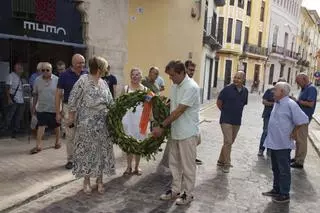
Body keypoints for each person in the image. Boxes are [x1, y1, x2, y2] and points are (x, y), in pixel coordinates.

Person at [153, 60, 200, 205]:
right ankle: (175, 190)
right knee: (175, 164)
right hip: (175, 131)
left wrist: (162, 126)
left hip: (188, 132)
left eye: (172, 75)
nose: (170, 78)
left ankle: (188, 193)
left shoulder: (191, 87)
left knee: (188, 166)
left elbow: (179, 110)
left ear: (181, 73)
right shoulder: (174, 85)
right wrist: (157, 103)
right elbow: (171, 104)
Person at [68, 56, 115, 195]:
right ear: (100, 68)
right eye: (105, 67)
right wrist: (71, 117)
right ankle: (86, 181)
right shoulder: (83, 80)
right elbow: (72, 98)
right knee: (87, 152)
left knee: (101, 152)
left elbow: (110, 102)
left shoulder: (104, 83)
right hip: (86, 123)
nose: (106, 69)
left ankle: (100, 180)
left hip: (103, 124)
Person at [262, 82, 309, 203]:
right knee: (275, 168)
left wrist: (294, 132)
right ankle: (276, 189)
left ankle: (284, 193)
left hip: (283, 143)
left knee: (284, 169)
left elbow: (303, 119)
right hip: (273, 142)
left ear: (282, 92)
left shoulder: (290, 104)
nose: (273, 91)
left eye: (275, 90)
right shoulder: (277, 103)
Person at [55, 54, 87, 170]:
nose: (81, 65)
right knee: (70, 135)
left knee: (83, 134)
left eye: (83, 63)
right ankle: (71, 159)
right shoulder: (64, 75)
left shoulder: (86, 74)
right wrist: (58, 112)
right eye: (79, 63)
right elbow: (58, 94)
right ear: (73, 63)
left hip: (84, 108)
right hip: (69, 108)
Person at [216, 71, 248, 173]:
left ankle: (221, 160)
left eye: (239, 78)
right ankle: (227, 164)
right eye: (235, 77)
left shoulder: (245, 91)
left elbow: (243, 104)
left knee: (229, 142)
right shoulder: (227, 89)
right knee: (228, 141)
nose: (236, 80)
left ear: (243, 80)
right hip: (226, 119)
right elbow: (219, 102)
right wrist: (225, 112)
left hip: (237, 120)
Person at [30, 62, 60, 154]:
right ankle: (38, 145)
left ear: (51, 70)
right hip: (42, 107)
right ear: (40, 70)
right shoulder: (37, 80)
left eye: (48, 70)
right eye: (43, 70)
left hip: (54, 107)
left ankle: (57, 141)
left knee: (56, 126)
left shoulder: (57, 80)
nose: (45, 72)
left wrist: (60, 108)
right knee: (41, 125)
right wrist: (33, 106)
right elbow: (35, 94)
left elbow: (60, 95)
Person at [122, 68, 148, 176]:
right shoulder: (126, 89)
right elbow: (120, 104)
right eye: (133, 74)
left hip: (140, 120)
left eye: (137, 74)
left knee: (139, 143)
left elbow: (148, 106)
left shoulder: (146, 90)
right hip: (128, 119)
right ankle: (128, 166)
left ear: (141, 77)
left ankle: (137, 166)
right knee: (129, 143)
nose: (135, 76)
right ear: (130, 76)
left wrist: (148, 120)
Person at [291, 73, 318, 169]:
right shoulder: (304, 88)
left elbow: (310, 104)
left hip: (304, 118)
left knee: (301, 140)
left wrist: (297, 101)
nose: (298, 84)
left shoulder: (311, 88)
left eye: (299, 82)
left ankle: (300, 161)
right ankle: (297, 157)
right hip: (300, 117)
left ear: (305, 79)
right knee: (298, 139)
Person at [258, 79, 287, 156]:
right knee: (266, 132)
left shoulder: (285, 94)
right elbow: (264, 101)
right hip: (268, 115)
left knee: (274, 133)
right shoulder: (269, 91)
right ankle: (261, 149)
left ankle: (270, 150)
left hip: (279, 117)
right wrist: (274, 104)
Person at [185, 60, 203, 165]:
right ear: (185, 69)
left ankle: (191, 157)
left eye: (193, 70)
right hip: (185, 120)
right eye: (190, 70)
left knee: (197, 139)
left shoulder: (192, 84)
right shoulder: (182, 84)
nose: (192, 72)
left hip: (193, 119)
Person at [3, 62, 25, 138]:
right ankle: (6, 130)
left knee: (18, 116)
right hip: (14, 98)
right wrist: (9, 99)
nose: (20, 70)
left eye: (21, 68)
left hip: (21, 99)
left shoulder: (22, 78)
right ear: (15, 69)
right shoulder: (11, 76)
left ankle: (15, 131)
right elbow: (7, 88)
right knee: (10, 115)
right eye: (19, 68)